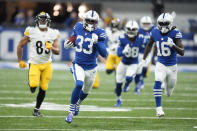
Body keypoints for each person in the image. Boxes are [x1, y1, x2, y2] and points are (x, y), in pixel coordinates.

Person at [64, 10, 107, 123]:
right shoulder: (78, 27)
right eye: (88, 20)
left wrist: (97, 42)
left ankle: (78, 103)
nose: (90, 23)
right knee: (79, 84)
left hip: (92, 68)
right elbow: (73, 37)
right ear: (84, 20)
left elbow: (104, 54)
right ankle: (71, 111)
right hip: (78, 64)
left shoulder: (100, 33)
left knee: (86, 92)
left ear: (97, 22)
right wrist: (68, 42)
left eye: (93, 21)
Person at [140, 13, 184, 117]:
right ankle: (159, 109)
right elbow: (149, 44)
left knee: (168, 93)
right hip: (161, 64)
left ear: (170, 23)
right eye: (161, 23)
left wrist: (173, 45)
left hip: (172, 66)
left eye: (166, 23)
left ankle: (165, 85)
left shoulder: (175, 33)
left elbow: (182, 52)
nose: (163, 26)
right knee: (158, 80)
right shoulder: (155, 31)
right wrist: (144, 58)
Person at [17, 12, 60, 116]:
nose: (42, 21)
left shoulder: (53, 33)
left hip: (47, 64)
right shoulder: (31, 31)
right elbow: (20, 45)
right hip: (34, 63)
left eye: (44, 19)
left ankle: (36, 110)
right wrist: (20, 60)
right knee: (33, 86)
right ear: (37, 20)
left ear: (48, 21)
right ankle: (31, 83)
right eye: (41, 19)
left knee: (44, 87)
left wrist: (52, 48)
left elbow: (57, 51)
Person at [115, 20, 144, 107]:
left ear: (137, 30)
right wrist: (123, 51)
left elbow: (148, 45)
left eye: (133, 29)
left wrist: (144, 58)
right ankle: (119, 99)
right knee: (118, 84)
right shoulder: (122, 38)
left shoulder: (141, 38)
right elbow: (118, 53)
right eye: (129, 29)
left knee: (128, 77)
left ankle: (127, 84)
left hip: (133, 63)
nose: (131, 31)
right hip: (123, 63)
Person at [133, 16, 155, 94]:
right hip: (138, 52)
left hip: (148, 53)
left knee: (145, 68)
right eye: (144, 23)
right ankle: (137, 85)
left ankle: (141, 79)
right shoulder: (138, 30)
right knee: (138, 70)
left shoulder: (154, 29)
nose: (146, 25)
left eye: (147, 23)